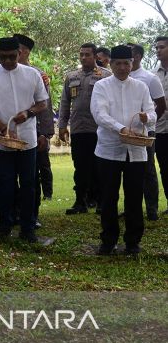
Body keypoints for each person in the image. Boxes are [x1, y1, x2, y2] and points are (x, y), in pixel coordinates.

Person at [0, 37, 49, 243]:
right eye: (3, 57)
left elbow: (42, 103)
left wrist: (28, 113)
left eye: (11, 56)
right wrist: (3, 128)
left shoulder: (32, 74)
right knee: (5, 184)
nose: (7, 61)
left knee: (28, 184)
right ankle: (4, 226)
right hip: (1, 140)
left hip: (27, 139)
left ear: (19, 53)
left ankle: (27, 228)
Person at [91, 45, 156, 255]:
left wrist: (148, 118)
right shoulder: (102, 86)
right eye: (117, 63)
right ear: (111, 64)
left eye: (126, 63)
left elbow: (151, 112)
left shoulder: (141, 87)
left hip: (136, 150)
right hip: (109, 150)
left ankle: (133, 241)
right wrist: (121, 128)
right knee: (109, 197)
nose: (122, 67)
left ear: (132, 63)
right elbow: (100, 115)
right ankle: (108, 240)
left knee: (134, 197)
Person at [58, 43, 111, 215]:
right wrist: (61, 126)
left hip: (99, 129)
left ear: (95, 56)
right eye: (81, 54)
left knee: (100, 167)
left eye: (87, 54)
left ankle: (101, 202)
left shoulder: (105, 76)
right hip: (79, 129)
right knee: (80, 166)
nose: (83, 58)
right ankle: (80, 202)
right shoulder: (72, 76)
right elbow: (65, 103)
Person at [14, 33, 54, 213]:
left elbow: (45, 105)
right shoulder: (4, 72)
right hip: (9, 132)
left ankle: (32, 214)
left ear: (24, 52)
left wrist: (45, 134)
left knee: (32, 176)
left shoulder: (38, 75)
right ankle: (12, 212)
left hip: (33, 132)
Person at [127, 43, 166, 221]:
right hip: (125, 131)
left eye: (131, 53)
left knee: (147, 169)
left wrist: (148, 123)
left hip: (145, 132)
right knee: (128, 169)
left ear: (138, 56)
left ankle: (152, 209)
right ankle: (131, 207)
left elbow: (161, 105)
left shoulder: (149, 78)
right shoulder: (120, 76)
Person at [153, 36, 168, 216]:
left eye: (161, 47)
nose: (158, 50)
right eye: (156, 48)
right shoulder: (152, 74)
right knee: (164, 166)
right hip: (160, 128)